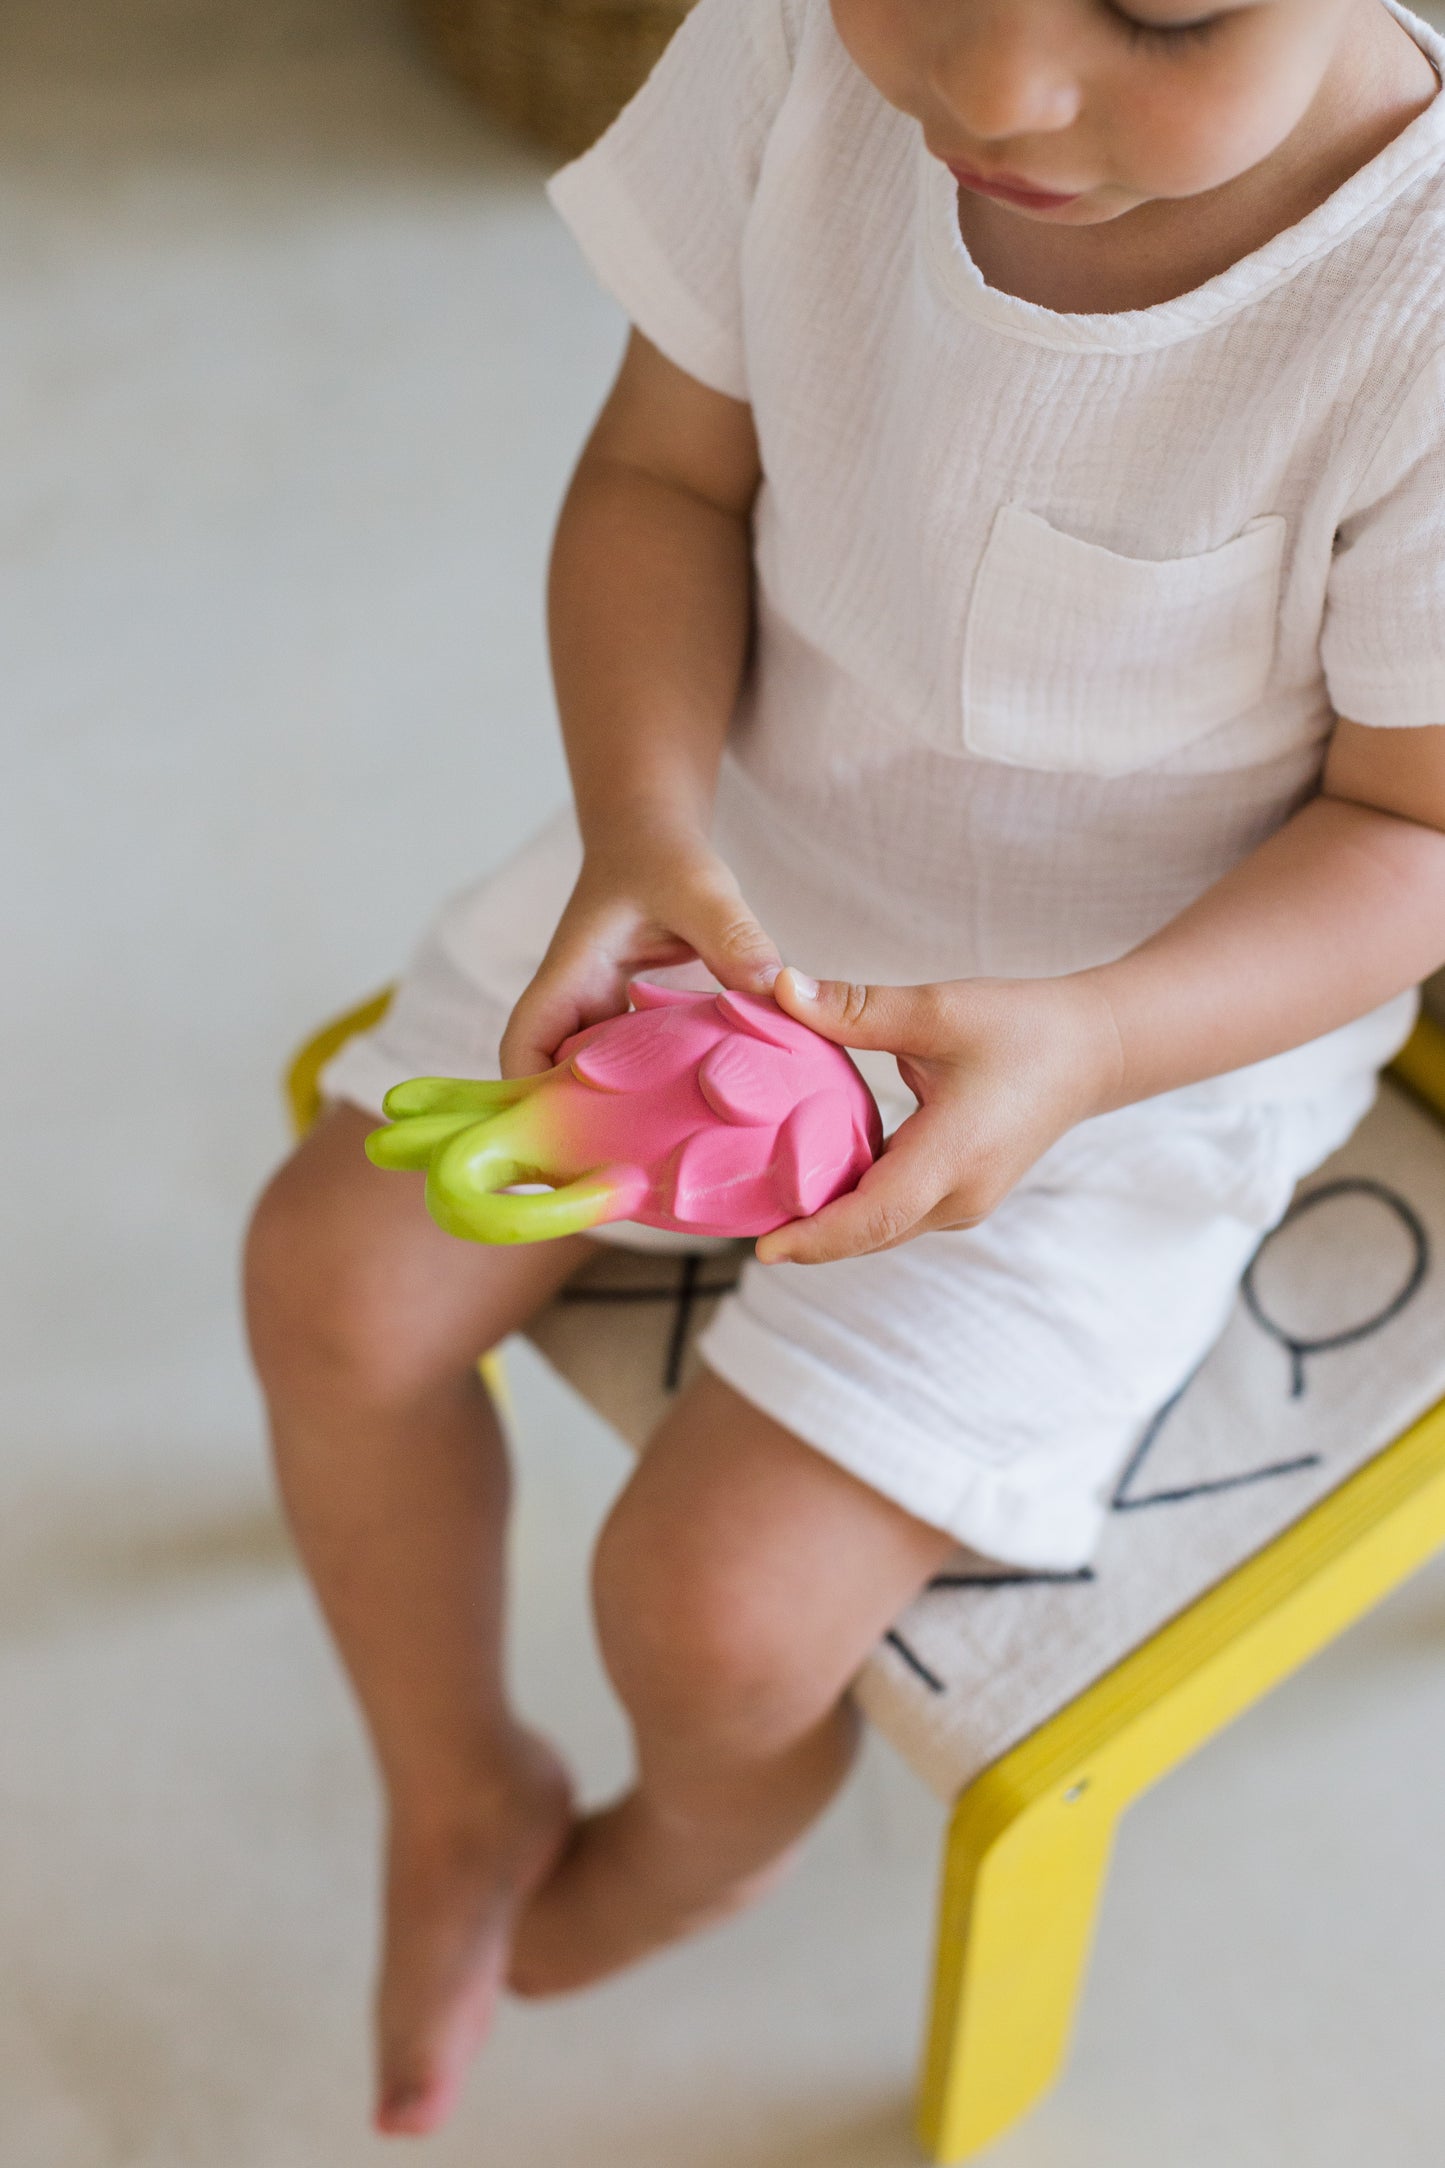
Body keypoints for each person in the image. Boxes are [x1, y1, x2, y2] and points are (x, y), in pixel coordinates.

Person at [243, 0, 1445, 2136]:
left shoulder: (1413, 310)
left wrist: (1088, 1042)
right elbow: (662, 473)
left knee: (712, 1611)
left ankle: (717, 1835)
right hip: (739, 862)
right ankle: (454, 1788)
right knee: (325, 1284)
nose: (993, 90)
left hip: (1136, 1046)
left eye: (1161, 7)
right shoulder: (797, 55)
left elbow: (1413, 834)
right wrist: (642, 829)